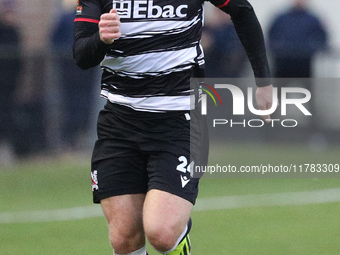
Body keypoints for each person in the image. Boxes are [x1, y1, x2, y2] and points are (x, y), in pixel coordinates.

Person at [73, 0, 274, 254]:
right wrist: (101, 39)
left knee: (162, 232)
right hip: (120, 123)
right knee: (124, 237)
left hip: (181, 119)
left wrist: (263, 81)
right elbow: (81, 54)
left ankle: (179, 235)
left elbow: (242, 11)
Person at [52, 0, 98, 150]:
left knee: (82, 102)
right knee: (72, 103)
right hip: (71, 69)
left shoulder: (88, 17)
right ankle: (70, 139)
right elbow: (54, 42)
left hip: (84, 68)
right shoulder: (67, 18)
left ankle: (79, 138)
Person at [268, 0, 328, 78]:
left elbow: (322, 37)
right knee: (281, 87)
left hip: (304, 60)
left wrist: (312, 48)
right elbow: (271, 34)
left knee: (305, 87)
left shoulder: (312, 19)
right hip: (283, 60)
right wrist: (277, 48)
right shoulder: (281, 18)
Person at [0, 0, 22, 163]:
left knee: (7, 115)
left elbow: (18, 62)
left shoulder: (14, 32)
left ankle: (7, 150)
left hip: (9, 86)